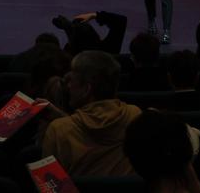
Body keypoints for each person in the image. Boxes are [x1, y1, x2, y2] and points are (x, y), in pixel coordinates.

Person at [42, 49, 142, 177]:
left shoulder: (58, 130)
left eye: (72, 80)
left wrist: (63, 121)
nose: (68, 85)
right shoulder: (135, 116)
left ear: (87, 89)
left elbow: (49, 184)